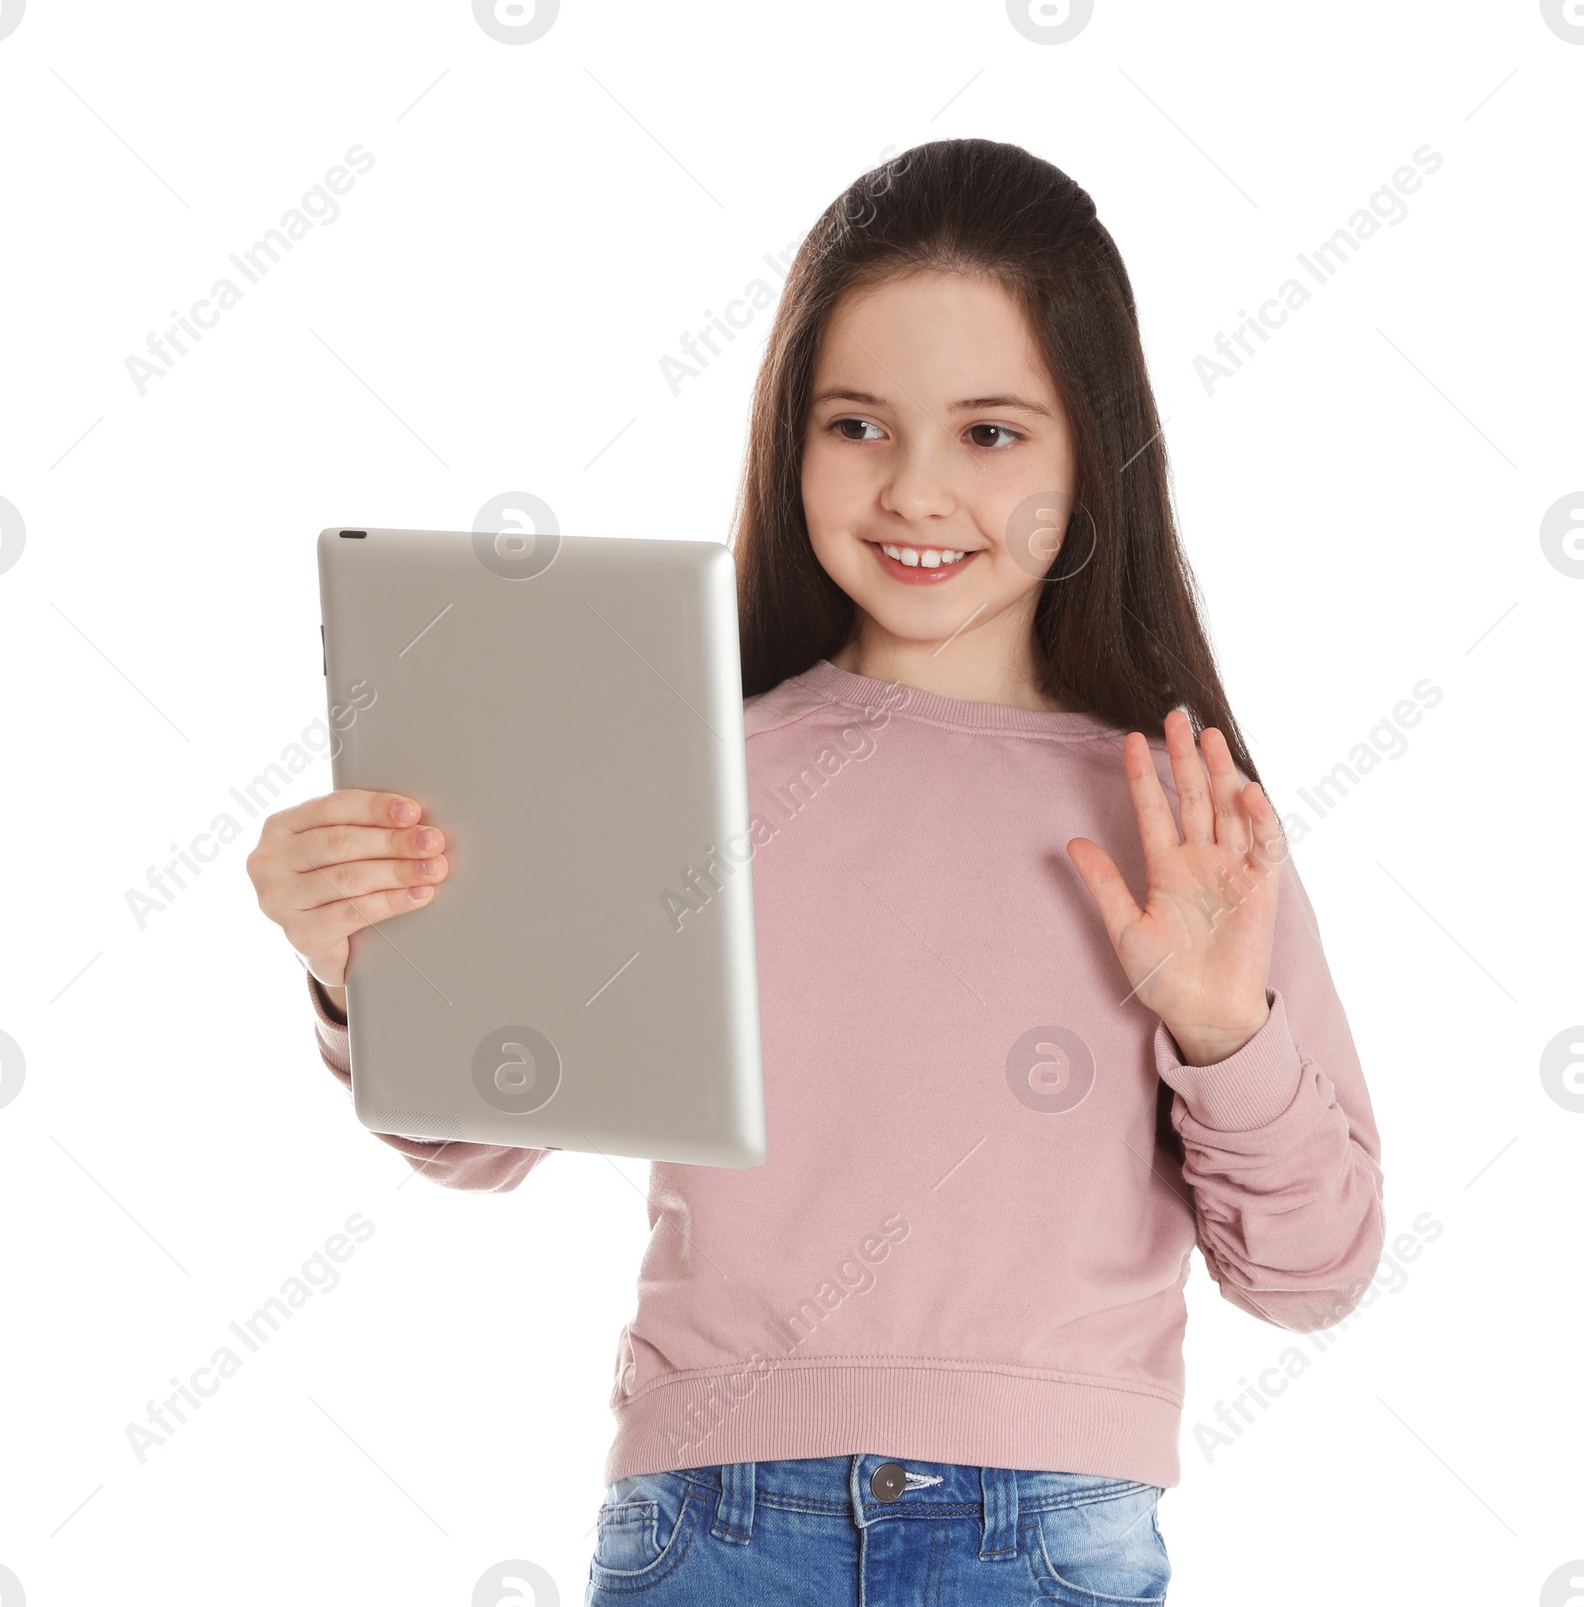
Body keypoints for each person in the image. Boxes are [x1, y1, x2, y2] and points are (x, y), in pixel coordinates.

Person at [247, 138, 1385, 1602]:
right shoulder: (686, 765)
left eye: (991, 432)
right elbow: (481, 1138)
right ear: (791, 434)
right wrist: (361, 958)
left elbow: (1314, 1271)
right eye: (858, 424)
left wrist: (1226, 1031)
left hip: (1042, 1539)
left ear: (1091, 450)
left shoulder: (1179, 815)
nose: (916, 490)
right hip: (711, 1526)